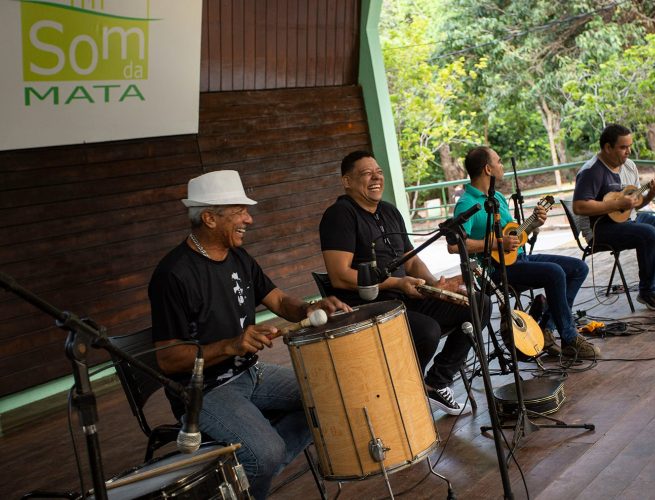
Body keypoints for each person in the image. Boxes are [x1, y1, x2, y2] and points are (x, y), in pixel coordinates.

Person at [149, 170, 351, 499]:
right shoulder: (174, 275)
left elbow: (281, 301)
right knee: (266, 453)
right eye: (240, 212)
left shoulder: (238, 256)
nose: (249, 219)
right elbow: (168, 359)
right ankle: (252, 467)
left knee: (330, 395)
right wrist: (232, 344)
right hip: (203, 390)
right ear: (210, 218)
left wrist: (309, 308)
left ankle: (239, 474)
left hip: (249, 372)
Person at [319, 150, 491, 416]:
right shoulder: (340, 215)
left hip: (405, 296)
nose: (376, 177)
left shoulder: (389, 210)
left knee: (478, 303)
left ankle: (437, 381)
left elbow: (411, 262)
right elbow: (339, 275)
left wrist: (436, 286)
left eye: (378, 172)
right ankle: (404, 391)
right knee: (427, 330)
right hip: (369, 306)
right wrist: (396, 284)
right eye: (366, 173)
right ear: (347, 181)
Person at [452, 146, 598, 359]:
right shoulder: (467, 203)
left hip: (517, 259)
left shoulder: (498, 198)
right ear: (488, 169)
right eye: (499, 161)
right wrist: (494, 244)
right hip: (494, 270)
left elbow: (513, 238)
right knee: (555, 273)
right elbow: (455, 245)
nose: (502, 165)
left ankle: (547, 330)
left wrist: (532, 224)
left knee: (578, 268)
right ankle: (569, 337)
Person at [572, 124, 655, 311]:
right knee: (648, 233)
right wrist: (617, 204)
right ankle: (647, 291)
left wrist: (650, 194)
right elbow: (579, 206)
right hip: (600, 229)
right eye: (623, 147)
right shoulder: (591, 171)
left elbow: (633, 206)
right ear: (607, 148)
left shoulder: (629, 165)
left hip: (629, 220)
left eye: (629, 146)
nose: (628, 151)